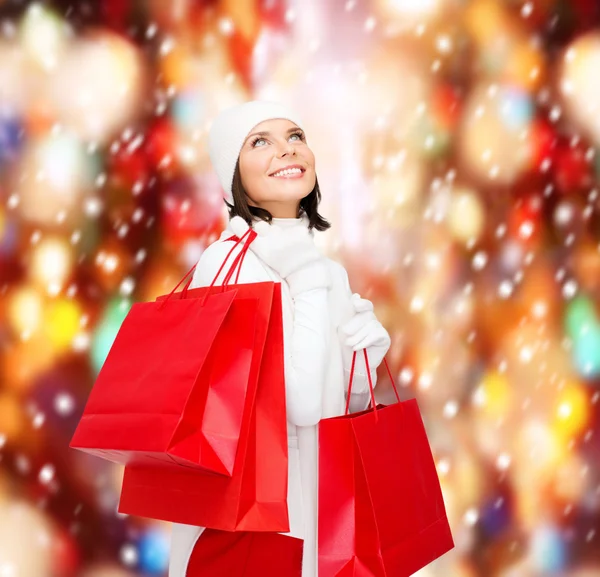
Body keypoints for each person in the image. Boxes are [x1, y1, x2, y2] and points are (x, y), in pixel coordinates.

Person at [168, 100, 391, 577]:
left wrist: (363, 359)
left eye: (295, 136)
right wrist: (310, 282)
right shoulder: (227, 261)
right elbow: (301, 403)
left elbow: (331, 404)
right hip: (254, 524)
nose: (287, 151)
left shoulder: (325, 268)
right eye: (260, 141)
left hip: (317, 511)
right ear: (234, 174)